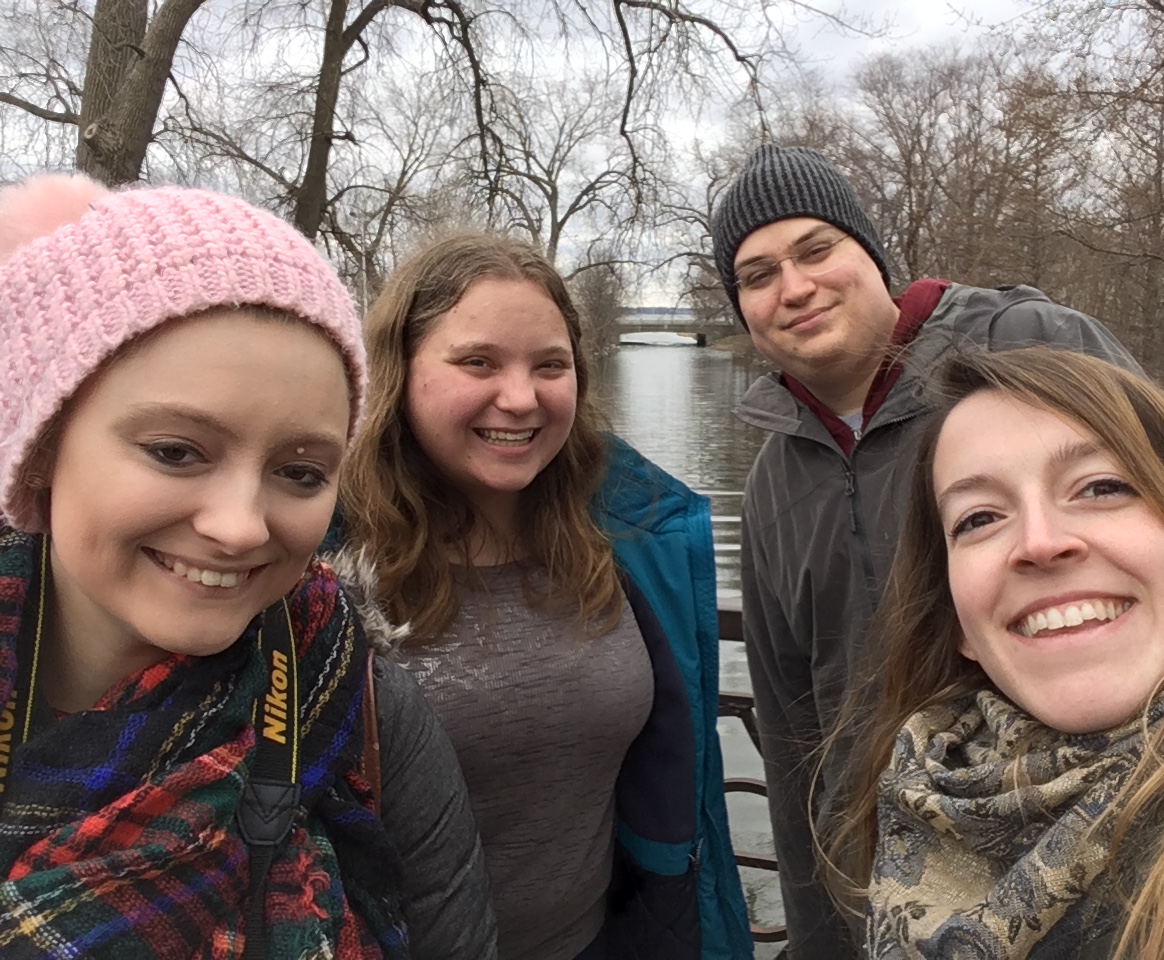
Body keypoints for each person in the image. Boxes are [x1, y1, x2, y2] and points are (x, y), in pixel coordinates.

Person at [0, 174, 497, 959]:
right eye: (176, 451)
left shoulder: (363, 705)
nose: (238, 528)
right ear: (41, 447)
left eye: (300, 472)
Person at [709, 143, 1141, 958]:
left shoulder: (1025, 343)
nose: (793, 288)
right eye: (757, 275)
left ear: (871, 254)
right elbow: (791, 721)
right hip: (887, 889)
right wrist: (814, 933)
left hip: (1094, 857)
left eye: (815, 248)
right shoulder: (773, 480)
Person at [334, 233, 753, 960]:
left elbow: (678, 790)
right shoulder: (313, 560)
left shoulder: (637, 537)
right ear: (399, 372)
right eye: (477, 362)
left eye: (550, 366)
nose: (522, 397)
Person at [821, 346, 1164, 958]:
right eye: (979, 518)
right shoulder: (923, 791)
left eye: (1101, 487)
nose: (1038, 542)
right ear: (957, 621)